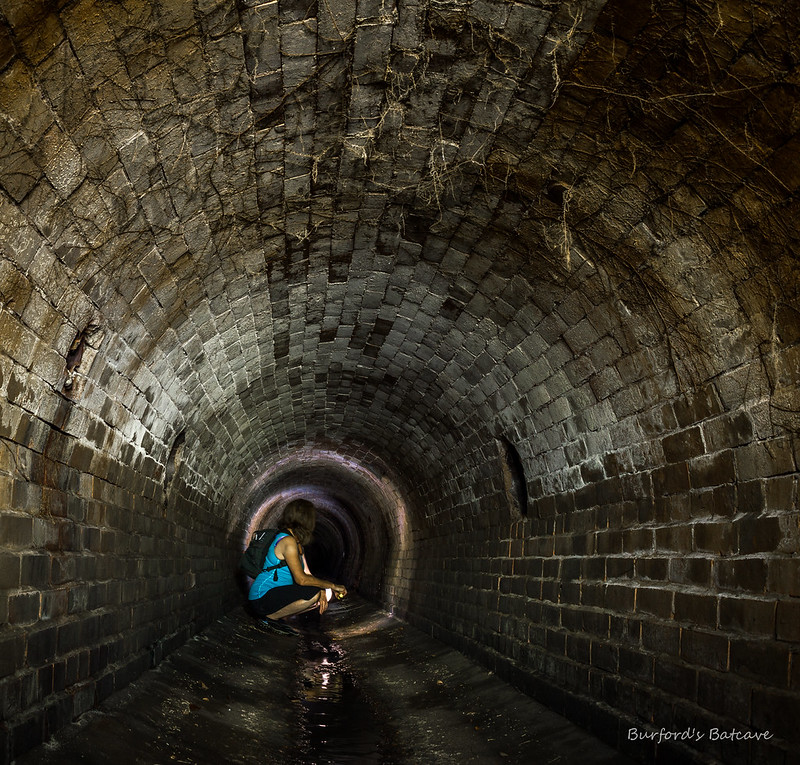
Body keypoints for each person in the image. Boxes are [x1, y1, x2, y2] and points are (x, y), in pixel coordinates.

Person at [248, 498, 347, 635]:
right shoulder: (287, 541)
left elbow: (307, 574)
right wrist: (332, 585)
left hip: (275, 594)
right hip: (261, 596)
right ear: (305, 520)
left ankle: (277, 617)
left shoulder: (297, 543)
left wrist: (324, 590)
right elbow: (301, 579)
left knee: (321, 595)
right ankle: (269, 618)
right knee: (314, 594)